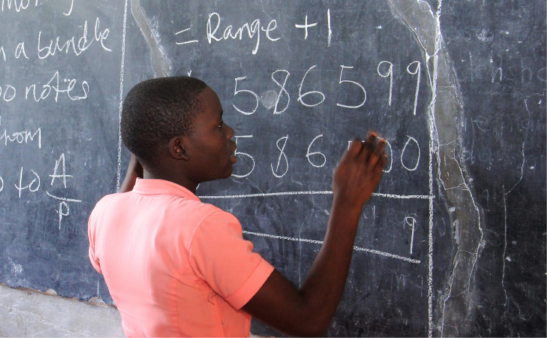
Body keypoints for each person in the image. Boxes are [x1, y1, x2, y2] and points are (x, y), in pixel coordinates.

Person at [87, 77, 387, 337]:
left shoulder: (105, 212)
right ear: (178, 148)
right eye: (217, 125)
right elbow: (308, 320)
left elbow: (129, 205)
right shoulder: (199, 227)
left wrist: (142, 149)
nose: (229, 132)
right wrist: (348, 202)